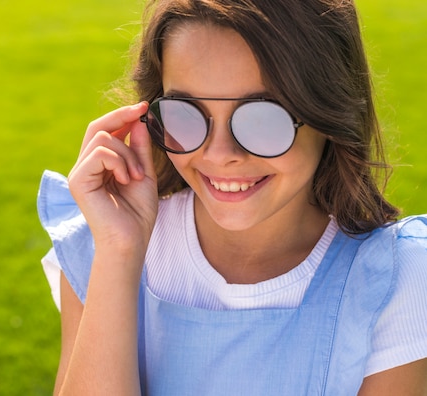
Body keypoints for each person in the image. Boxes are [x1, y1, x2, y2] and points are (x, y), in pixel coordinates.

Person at [37, 0, 427, 394]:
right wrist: (119, 252)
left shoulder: (396, 280)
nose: (220, 154)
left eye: (262, 116)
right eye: (186, 110)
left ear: (329, 113)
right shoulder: (101, 246)